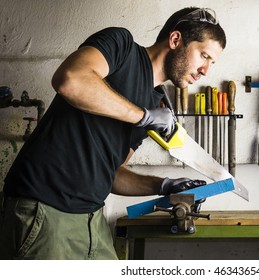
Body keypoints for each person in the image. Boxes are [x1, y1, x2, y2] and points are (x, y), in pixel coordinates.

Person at [0, 7, 226, 259]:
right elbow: (70, 80)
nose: (206, 70)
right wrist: (144, 117)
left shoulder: (155, 101)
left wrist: (162, 185)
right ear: (175, 40)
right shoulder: (121, 46)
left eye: (212, 62)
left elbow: (113, 174)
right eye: (204, 56)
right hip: (45, 210)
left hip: (90, 217)